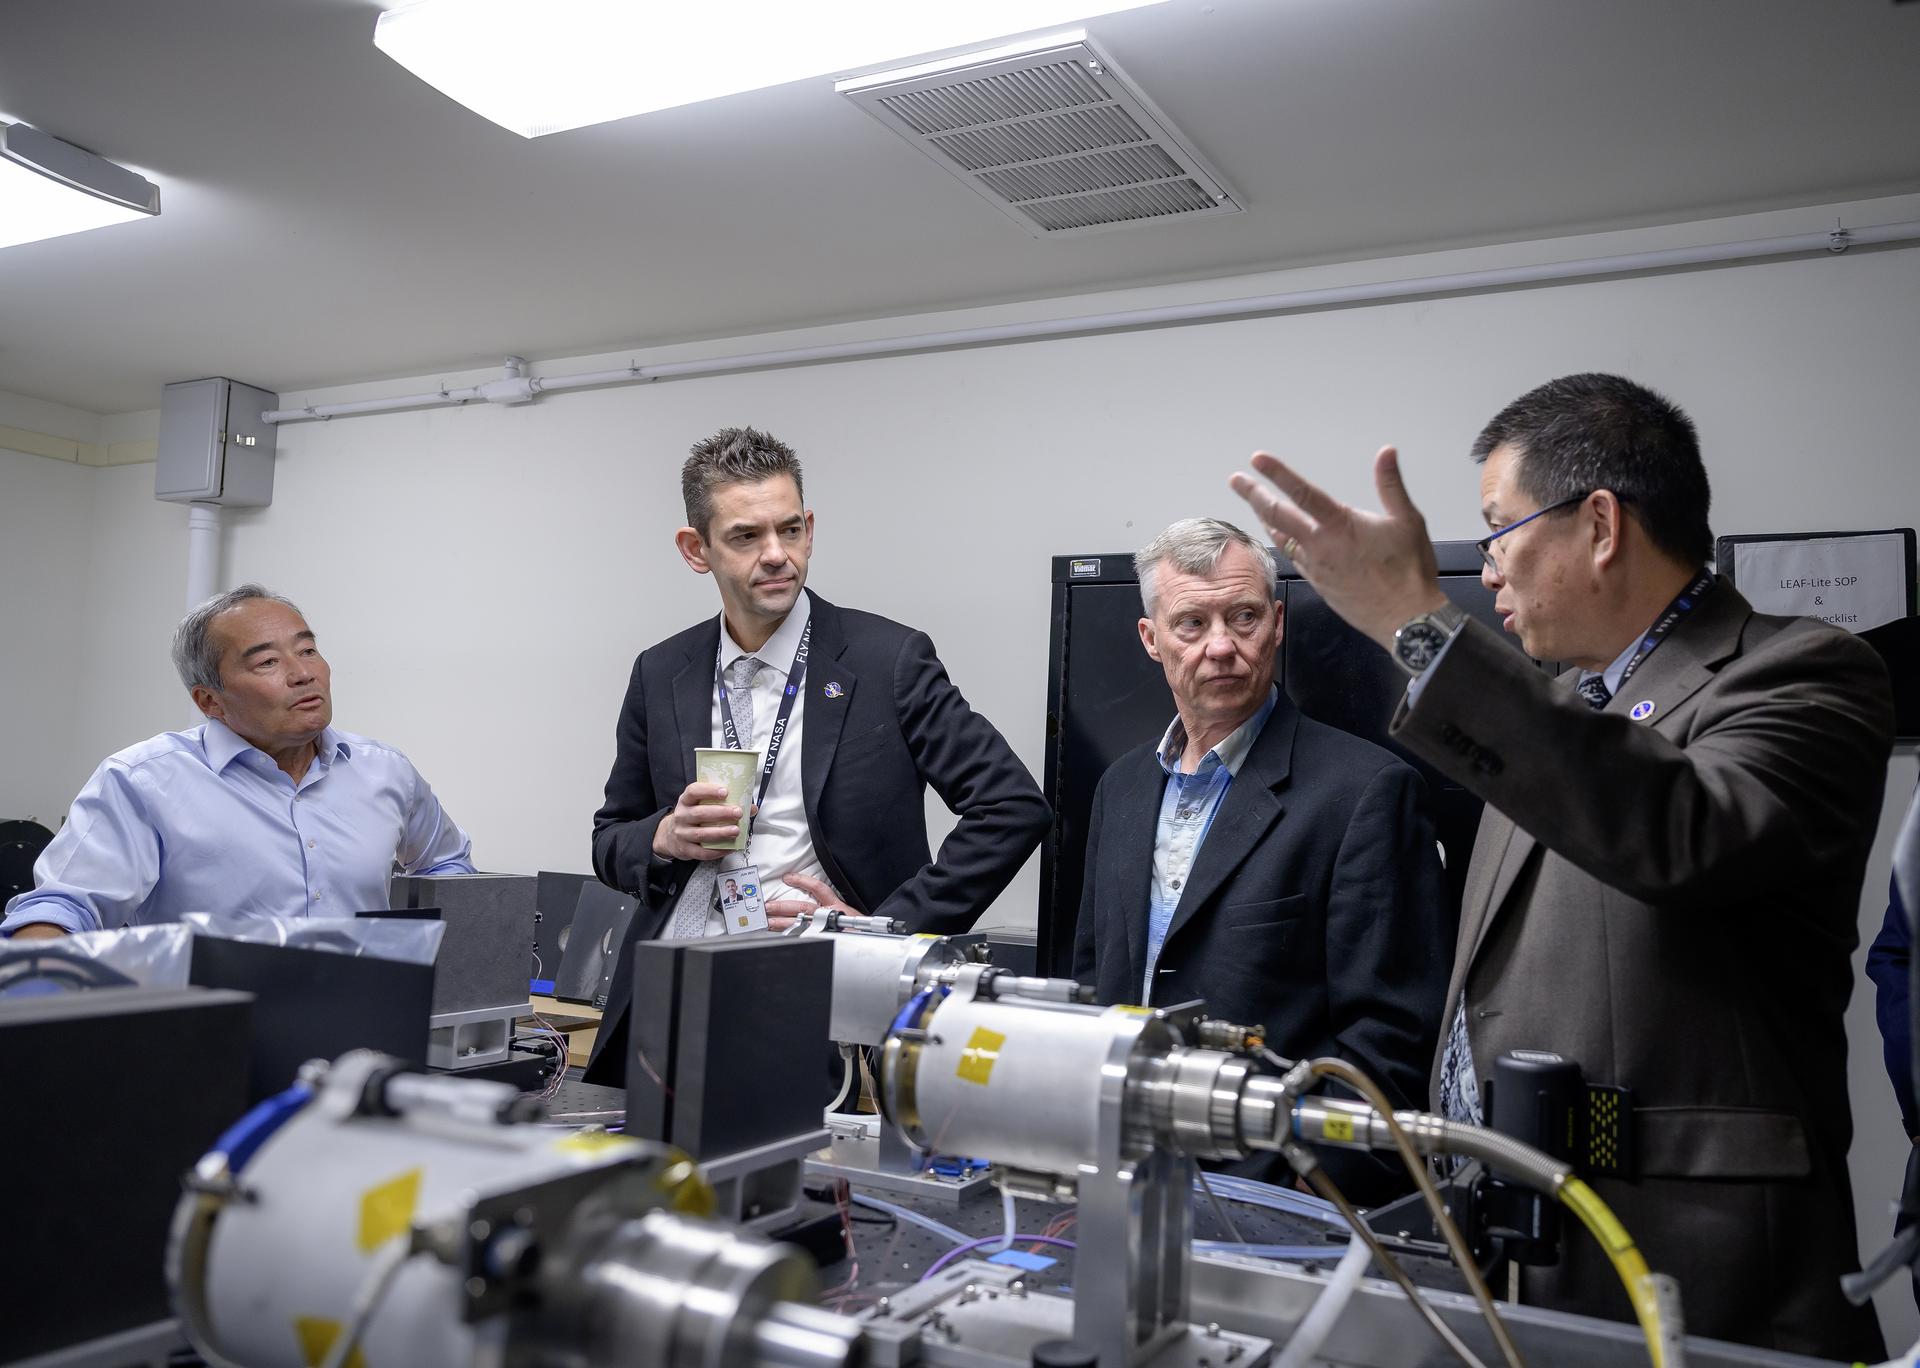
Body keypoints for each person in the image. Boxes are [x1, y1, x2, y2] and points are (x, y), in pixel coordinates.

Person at [1228, 372, 1892, 1357]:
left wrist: (1415, 623)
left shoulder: (1801, 673)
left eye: (1499, 529)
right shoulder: (1553, 707)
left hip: (1699, 1271)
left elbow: (1682, 832)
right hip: (1514, 1248)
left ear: (1600, 524)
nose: (1486, 567)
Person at [586, 426, 1049, 1086]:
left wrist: (890, 933)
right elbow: (611, 840)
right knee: (660, 1184)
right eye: (746, 536)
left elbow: (1012, 809)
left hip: (819, 998)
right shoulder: (661, 672)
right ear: (697, 549)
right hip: (674, 991)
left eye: (791, 529)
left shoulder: (887, 660)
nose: (777, 555)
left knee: (801, 1183)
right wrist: (663, 837)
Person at [1072, 517, 1448, 1201]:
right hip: (1120, 1176)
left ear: (1276, 623)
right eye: (1192, 623)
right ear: (1151, 640)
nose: (1221, 646)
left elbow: (1391, 1042)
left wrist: (1281, 1189)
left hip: (1273, 1197)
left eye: (1242, 617)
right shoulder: (1120, 791)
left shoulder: (1364, 793)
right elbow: (1097, 988)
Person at [2, 584, 473, 938]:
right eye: (267, 662)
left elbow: (447, 866)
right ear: (210, 701)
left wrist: (425, 953)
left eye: (308, 650)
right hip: (207, 1039)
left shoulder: (384, 770)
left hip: (360, 1034)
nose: (303, 673)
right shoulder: (145, 781)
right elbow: (64, 906)